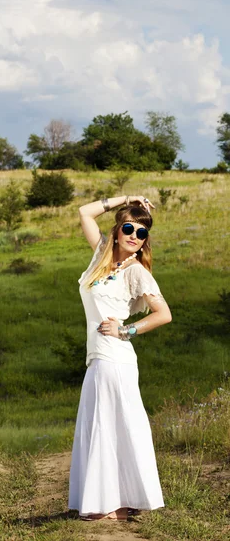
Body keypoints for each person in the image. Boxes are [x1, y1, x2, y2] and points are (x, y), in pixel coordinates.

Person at [68, 194, 172, 522]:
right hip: (99, 359)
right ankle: (115, 504)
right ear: (117, 230)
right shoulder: (100, 254)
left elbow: (164, 314)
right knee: (104, 428)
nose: (134, 236)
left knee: (114, 428)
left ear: (144, 242)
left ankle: (112, 506)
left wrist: (126, 331)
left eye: (141, 233)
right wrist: (126, 198)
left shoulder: (136, 272)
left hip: (117, 358)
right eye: (129, 228)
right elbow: (84, 212)